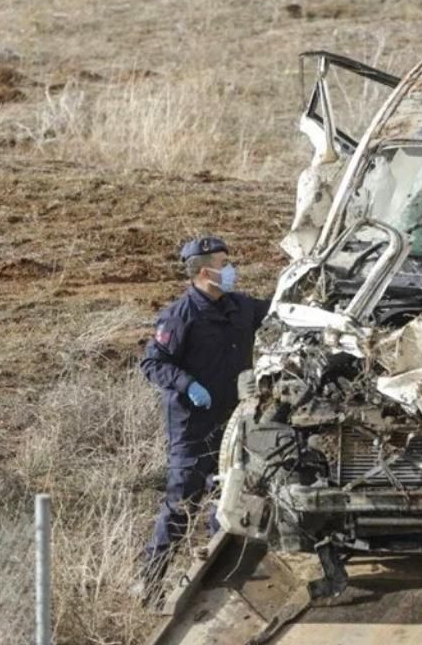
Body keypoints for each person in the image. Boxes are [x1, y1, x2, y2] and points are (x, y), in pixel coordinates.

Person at [133, 235, 270, 604]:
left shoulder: (241, 307)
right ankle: (149, 585)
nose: (231, 271)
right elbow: (153, 363)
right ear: (205, 271)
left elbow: (280, 311)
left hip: (234, 424)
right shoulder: (180, 316)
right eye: (224, 264)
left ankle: (214, 588)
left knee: (226, 505)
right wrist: (188, 383)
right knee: (180, 506)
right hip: (193, 428)